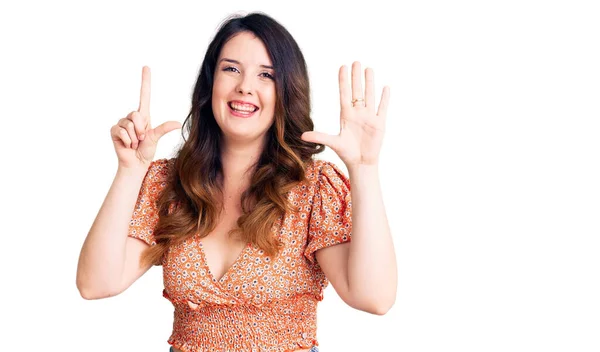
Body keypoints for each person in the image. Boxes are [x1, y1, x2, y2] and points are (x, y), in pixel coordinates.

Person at [76, 12, 397, 352]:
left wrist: (364, 169)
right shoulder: (169, 183)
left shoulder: (312, 189)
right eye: (231, 69)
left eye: (266, 75)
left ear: (285, 91)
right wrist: (129, 170)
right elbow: (96, 283)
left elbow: (373, 298)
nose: (245, 85)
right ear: (210, 83)